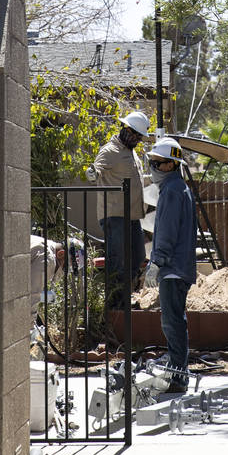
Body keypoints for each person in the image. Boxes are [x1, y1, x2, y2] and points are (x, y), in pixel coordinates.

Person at [146, 136, 196, 394]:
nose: (153, 167)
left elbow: (166, 231)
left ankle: (178, 378)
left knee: (172, 323)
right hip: (179, 268)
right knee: (176, 321)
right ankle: (179, 372)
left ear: (170, 165)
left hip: (173, 269)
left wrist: (157, 262)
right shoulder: (179, 188)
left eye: (157, 162)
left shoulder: (172, 190)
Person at [90, 111, 150, 308]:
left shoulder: (131, 153)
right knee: (119, 261)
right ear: (125, 129)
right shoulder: (110, 150)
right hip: (115, 215)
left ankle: (124, 298)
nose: (136, 139)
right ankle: (116, 306)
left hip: (132, 216)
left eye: (139, 136)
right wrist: (92, 173)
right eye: (134, 134)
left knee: (139, 257)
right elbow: (96, 170)